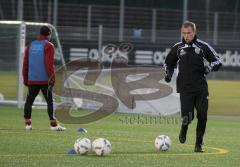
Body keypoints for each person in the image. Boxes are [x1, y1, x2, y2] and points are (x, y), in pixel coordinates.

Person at [164, 21, 222, 152]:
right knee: (187, 117)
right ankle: (184, 127)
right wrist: (168, 74)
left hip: (200, 87)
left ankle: (198, 144)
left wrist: (209, 67)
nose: (186, 36)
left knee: (202, 115)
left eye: (189, 33)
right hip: (185, 88)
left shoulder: (202, 46)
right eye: (184, 33)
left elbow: (218, 60)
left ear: (194, 32)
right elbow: (168, 63)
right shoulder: (178, 47)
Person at [22, 25, 66, 131]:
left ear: (40, 33)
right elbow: (49, 64)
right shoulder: (49, 45)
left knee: (29, 101)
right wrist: (52, 78)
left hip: (32, 79)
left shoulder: (31, 45)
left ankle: (28, 124)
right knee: (50, 102)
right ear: (49, 35)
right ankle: (54, 125)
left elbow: (25, 63)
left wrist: (25, 78)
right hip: (45, 80)